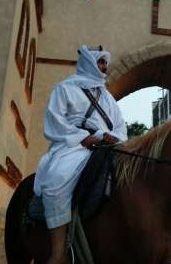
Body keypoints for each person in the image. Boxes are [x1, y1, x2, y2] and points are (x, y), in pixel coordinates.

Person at [33, 45, 128, 264]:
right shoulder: (65, 89)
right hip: (73, 145)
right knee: (56, 181)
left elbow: (120, 125)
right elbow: (54, 121)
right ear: (88, 63)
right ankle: (58, 253)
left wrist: (113, 137)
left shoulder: (107, 98)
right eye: (100, 62)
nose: (104, 67)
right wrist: (81, 138)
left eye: (105, 63)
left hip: (105, 146)